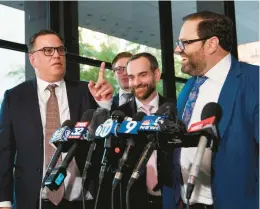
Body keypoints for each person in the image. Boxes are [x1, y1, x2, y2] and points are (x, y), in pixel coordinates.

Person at [0, 29, 114, 209]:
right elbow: (4, 151)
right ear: (32, 59)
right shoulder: (14, 97)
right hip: (33, 199)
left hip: (82, 198)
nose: (56, 55)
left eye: (60, 50)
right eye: (48, 50)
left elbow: (103, 139)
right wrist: (3, 200)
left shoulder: (87, 92)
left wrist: (105, 105)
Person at [165, 11, 259, 209]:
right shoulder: (189, 87)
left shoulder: (253, 81)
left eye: (185, 42)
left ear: (211, 44)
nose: (177, 49)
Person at [113, 52, 175, 209]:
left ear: (157, 74)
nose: (137, 82)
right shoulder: (120, 115)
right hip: (133, 200)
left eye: (143, 75)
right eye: (132, 77)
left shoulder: (175, 109)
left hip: (172, 199)